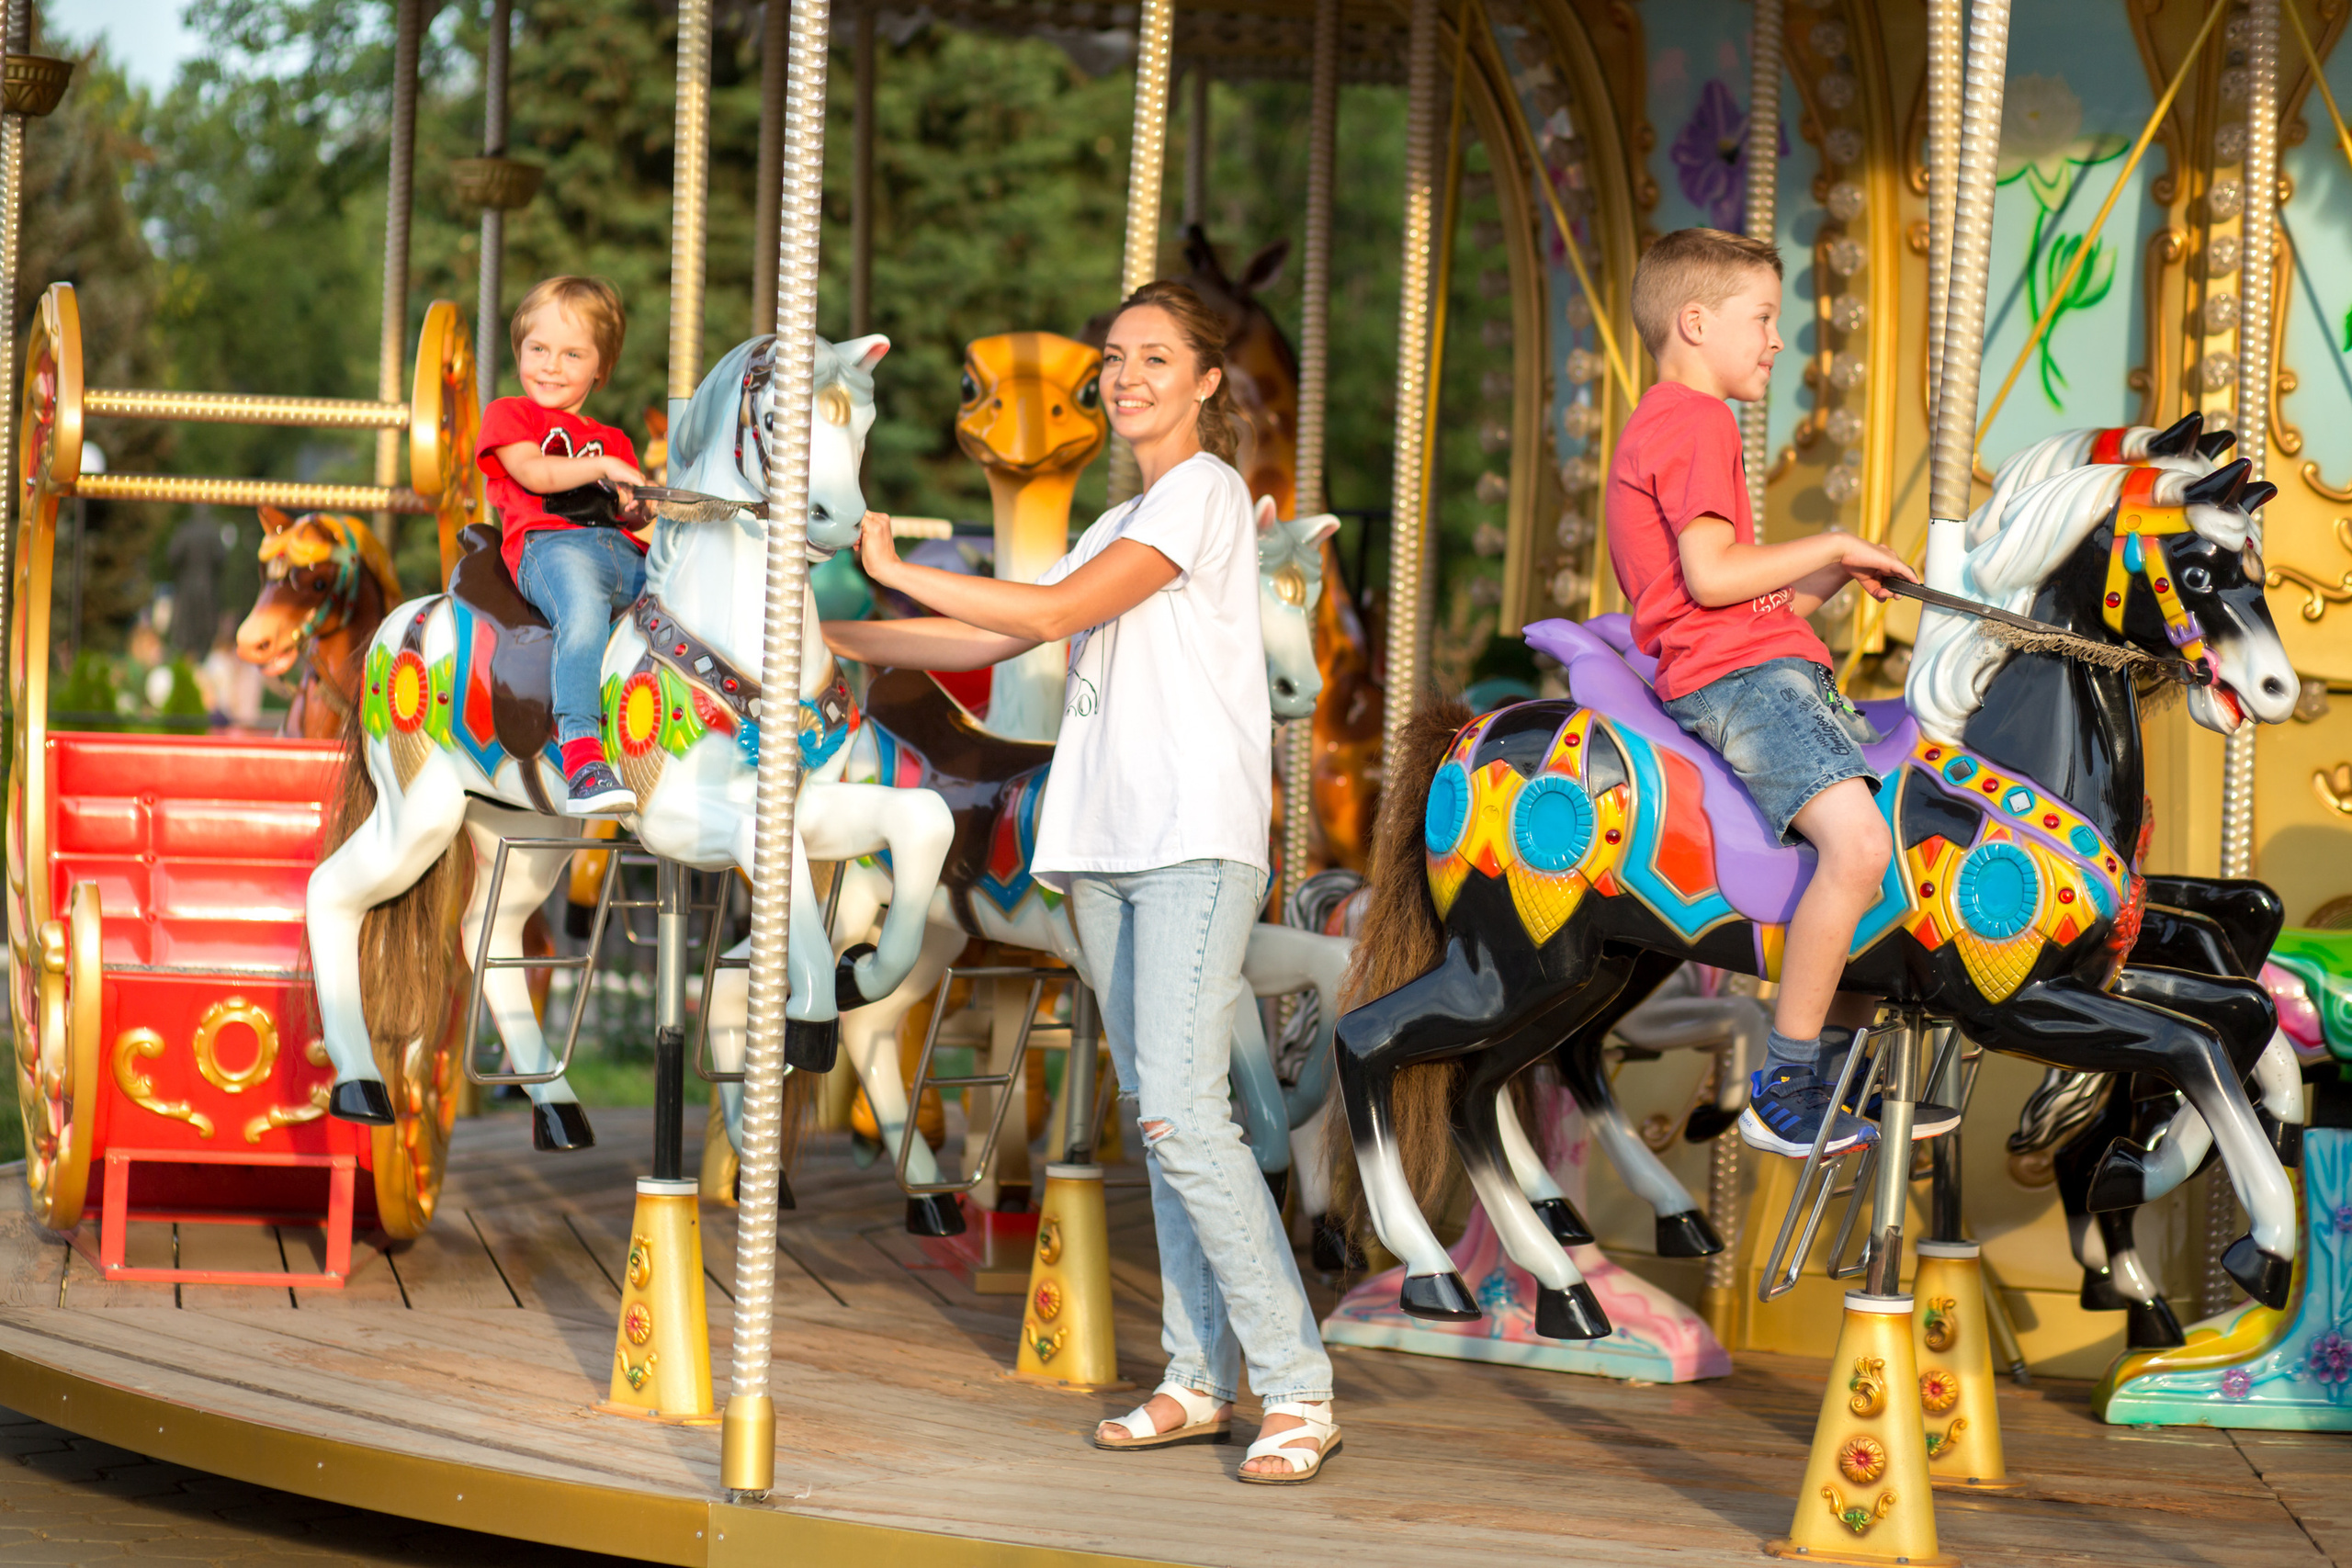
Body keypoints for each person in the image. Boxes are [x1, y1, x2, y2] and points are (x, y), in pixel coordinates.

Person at [821, 281, 1340, 1484]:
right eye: (1115, 357)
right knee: (1160, 1118)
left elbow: (1052, 610)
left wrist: (895, 563)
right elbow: (991, 638)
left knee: (1184, 1113)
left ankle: (1297, 1382)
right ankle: (1197, 1375)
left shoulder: (1205, 494)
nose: (1126, 376)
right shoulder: (1118, 520)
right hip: (1100, 845)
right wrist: (835, 638)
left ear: (1205, 381)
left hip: (1188, 837)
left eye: (1154, 357)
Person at [1606, 227, 1947, 1158]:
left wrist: (1828, 581)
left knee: (1892, 844)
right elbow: (1713, 576)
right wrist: (1831, 540)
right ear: (1694, 321)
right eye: (1761, 317)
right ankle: (1788, 1082)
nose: (1775, 339)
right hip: (1742, 685)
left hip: (1753, 667)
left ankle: (1838, 1071)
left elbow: (1735, 604)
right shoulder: (1694, 421)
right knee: (1862, 842)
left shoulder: (1670, 422)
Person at [477, 275, 650, 815]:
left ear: (601, 367)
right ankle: (581, 753)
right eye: (538, 349)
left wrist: (646, 510)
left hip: (620, 553)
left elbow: (632, 519)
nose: (551, 366)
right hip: (550, 547)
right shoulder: (511, 414)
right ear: (519, 351)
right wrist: (602, 467)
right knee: (582, 615)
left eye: (572, 354)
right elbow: (536, 472)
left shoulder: (615, 440)